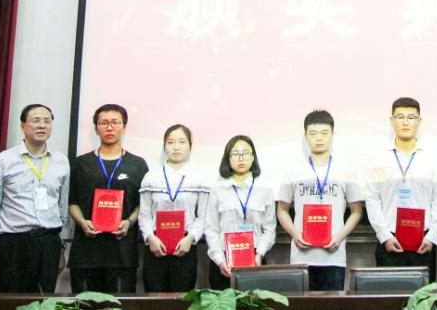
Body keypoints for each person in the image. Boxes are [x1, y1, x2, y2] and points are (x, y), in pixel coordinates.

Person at [0, 103, 71, 293]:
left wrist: (61, 250)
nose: (42, 126)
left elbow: (62, 209)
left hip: (48, 243)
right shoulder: (3, 161)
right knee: (11, 301)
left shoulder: (61, 161)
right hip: (13, 245)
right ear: (22, 126)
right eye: (36, 121)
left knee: (45, 301)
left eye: (47, 121)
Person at [276, 110, 364, 291]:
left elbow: (356, 211)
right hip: (301, 256)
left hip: (334, 256)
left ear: (333, 134)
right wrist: (295, 234)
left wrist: (339, 237)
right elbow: (282, 209)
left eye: (324, 133)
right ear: (305, 136)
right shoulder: (293, 169)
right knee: (302, 304)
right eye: (313, 133)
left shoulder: (346, 170)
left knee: (332, 304)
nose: (319, 138)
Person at [364, 97, 437, 281]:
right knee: (390, 295)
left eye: (411, 117)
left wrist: (433, 236)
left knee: (423, 297)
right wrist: (384, 236)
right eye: (400, 117)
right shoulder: (378, 158)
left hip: (424, 242)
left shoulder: (432, 158)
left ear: (419, 121)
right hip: (389, 240)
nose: (405, 122)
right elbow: (372, 201)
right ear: (391, 120)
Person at [67, 104, 149, 293]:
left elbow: (142, 204)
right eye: (104, 123)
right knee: (84, 305)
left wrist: (129, 222)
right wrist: (82, 222)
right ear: (97, 128)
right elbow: (72, 202)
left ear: (124, 127)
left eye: (115, 123)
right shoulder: (81, 163)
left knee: (121, 305)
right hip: (86, 253)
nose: (109, 128)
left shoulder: (138, 164)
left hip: (122, 254)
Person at [138, 123, 209, 293]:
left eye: (182, 142)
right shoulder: (151, 177)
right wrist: (150, 238)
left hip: (185, 247)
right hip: (155, 246)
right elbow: (144, 214)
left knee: (181, 301)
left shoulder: (199, 178)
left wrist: (190, 238)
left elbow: (203, 216)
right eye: (170, 142)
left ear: (190, 146)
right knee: (154, 301)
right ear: (164, 146)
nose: (176, 147)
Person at [204, 135, 277, 289]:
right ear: (228, 159)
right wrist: (220, 260)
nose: (241, 158)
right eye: (236, 154)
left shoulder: (265, 189)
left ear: (253, 158)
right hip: (224, 259)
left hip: (255, 258)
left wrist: (259, 254)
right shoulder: (217, 190)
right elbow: (211, 229)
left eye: (246, 153)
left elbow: (270, 229)